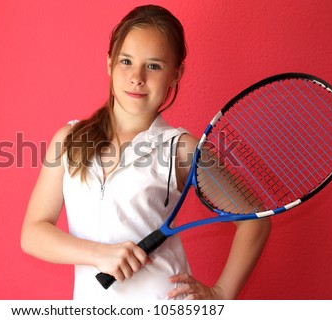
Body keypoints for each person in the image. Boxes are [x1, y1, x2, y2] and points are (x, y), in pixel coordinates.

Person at [21, 4, 271, 300]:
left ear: (175, 75)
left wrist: (220, 294)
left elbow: (255, 219)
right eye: (126, 61)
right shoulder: (69, 140)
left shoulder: (181, 148)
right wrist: (100, 255)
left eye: (154, 66)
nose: (137, 76)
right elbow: (33, 233)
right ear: (109, 63)